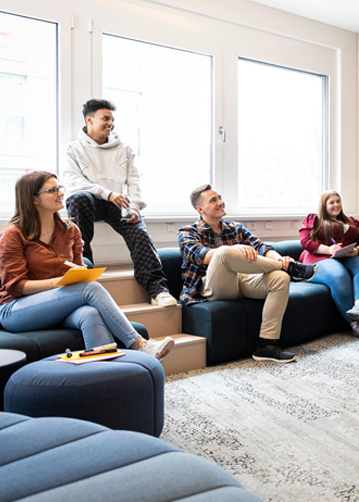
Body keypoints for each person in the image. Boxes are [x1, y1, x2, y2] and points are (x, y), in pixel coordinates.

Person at [0, 171, 175, 360]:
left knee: (89, 313)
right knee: (90, 288)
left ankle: (106, 371)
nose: (60, 193)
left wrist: (79, 273)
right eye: (52, 190)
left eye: (59, 188)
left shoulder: (70, 230)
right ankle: (139, 344)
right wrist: (60, 282)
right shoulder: (13, 234)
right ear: (33, 199)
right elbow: (16, 286)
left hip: (57, 304)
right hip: (16, 309)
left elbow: (77, 267)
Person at [179, 184, 317, 363]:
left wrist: (281, 259)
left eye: (220, 197)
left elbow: (261, 247)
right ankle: (292, 269)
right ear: (200, 209)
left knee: (280, 278)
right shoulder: (187, 232)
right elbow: (201, 256)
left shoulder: (235, 228)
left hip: (242, 280)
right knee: (224, 252)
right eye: (213, 200)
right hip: (212, 287)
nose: (220, 202)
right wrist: (236, 249)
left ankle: (266, 345)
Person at [62, 99, 177, 307]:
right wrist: (106, 194)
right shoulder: (73, 149)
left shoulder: (124, 149)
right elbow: (73, 182)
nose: (111, 123)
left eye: (112, 119)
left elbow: (134, 181)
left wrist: (134, 207)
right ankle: (84, 277)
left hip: (117, 202)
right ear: (89, 120)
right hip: (91, 200)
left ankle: (157, 289)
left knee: (139, 232)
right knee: (79, 198)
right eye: (106, 118)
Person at [299, 191, 359, 340]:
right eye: (331, 202)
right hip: (319, 258)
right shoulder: (314, 219)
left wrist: (357, 251)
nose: (336, 205)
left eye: (338, 201)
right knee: (339, 275)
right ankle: (355, 324)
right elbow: (305, 241)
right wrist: (329, 249)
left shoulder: (350, 221)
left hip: (345, 257)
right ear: (324, 205)